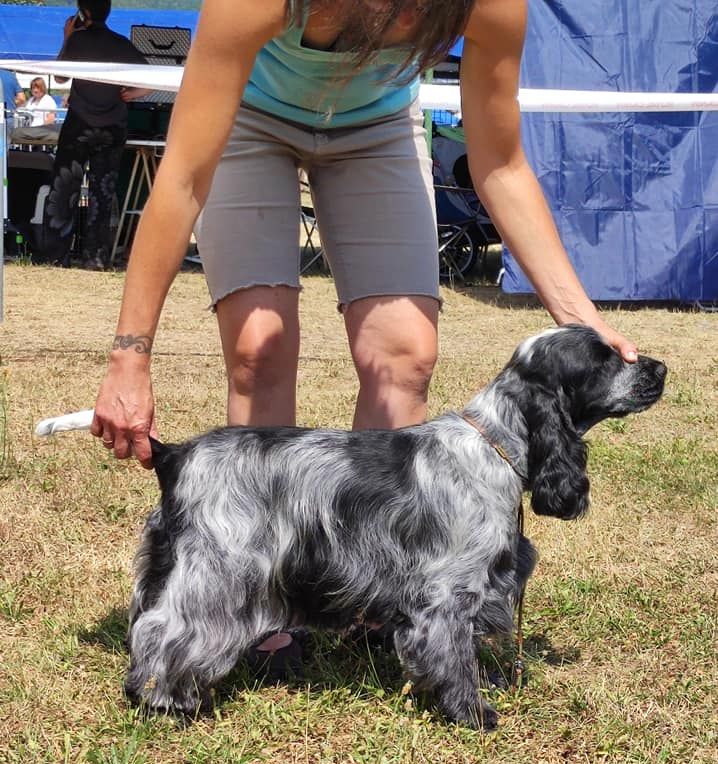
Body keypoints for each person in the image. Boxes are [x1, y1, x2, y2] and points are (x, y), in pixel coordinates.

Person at [92, 0, 640, 663]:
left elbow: (499, 161)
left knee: (406, 352)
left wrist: (580, 321)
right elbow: (182, 178)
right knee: (260, 344)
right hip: (249, 118)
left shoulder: (492, 5)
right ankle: (259, 600)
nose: (408, 22)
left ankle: (377, 598)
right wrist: (130, 357)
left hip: (376, 125)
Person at [36, 1, 147, 270]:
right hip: (112, 126)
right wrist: (132, 94)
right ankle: (95, 257)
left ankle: (57, 255)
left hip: (80, 124)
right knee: (103, 192)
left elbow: (60, 78)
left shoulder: (77, 41)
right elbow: (148, 78)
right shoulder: (121, 43)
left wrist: (67, 38)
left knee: (65, 188)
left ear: (82, 13)